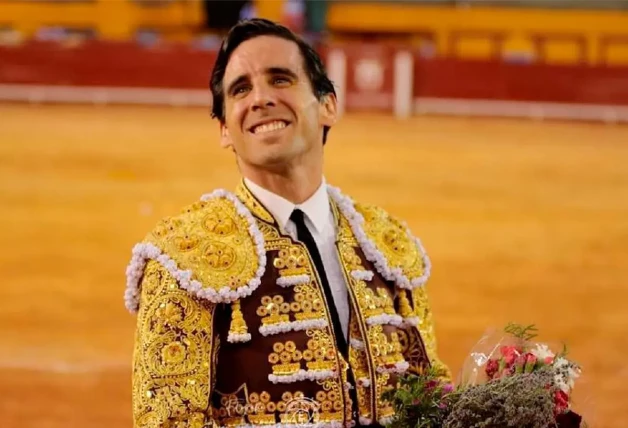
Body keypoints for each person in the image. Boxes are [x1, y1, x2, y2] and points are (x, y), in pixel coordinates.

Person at [125, 18, 450, 428]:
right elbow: (167, 422)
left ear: (328, 105)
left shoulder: (387, 245)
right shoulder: (183, 257)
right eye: (240, 89)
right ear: (225, 129)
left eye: (280, 79)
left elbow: (431, 395)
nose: (260, 98)